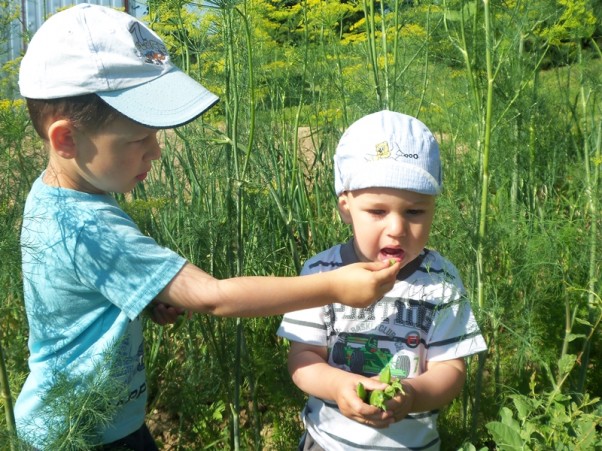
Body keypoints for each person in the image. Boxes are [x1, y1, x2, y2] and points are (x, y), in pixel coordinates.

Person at [15, 5, 402, 450]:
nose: (155, 153)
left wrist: (140, 300)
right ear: (65, 139)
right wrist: (334, 286)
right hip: (82, 436)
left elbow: (76, 293)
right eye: (139, 140)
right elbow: (214, 298)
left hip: (94, 422)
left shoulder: (57, 196)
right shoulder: (87, 225)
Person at [277, 110, 488, 450]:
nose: (397, 229)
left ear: (433, 207)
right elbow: (302, 358)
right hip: (329, 442)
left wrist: (413, 394)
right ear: (346, 207)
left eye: (414, 212)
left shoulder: (441, 280)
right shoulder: (320, 272)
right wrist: (338, 386)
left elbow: (451, 371)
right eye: (377, 212)